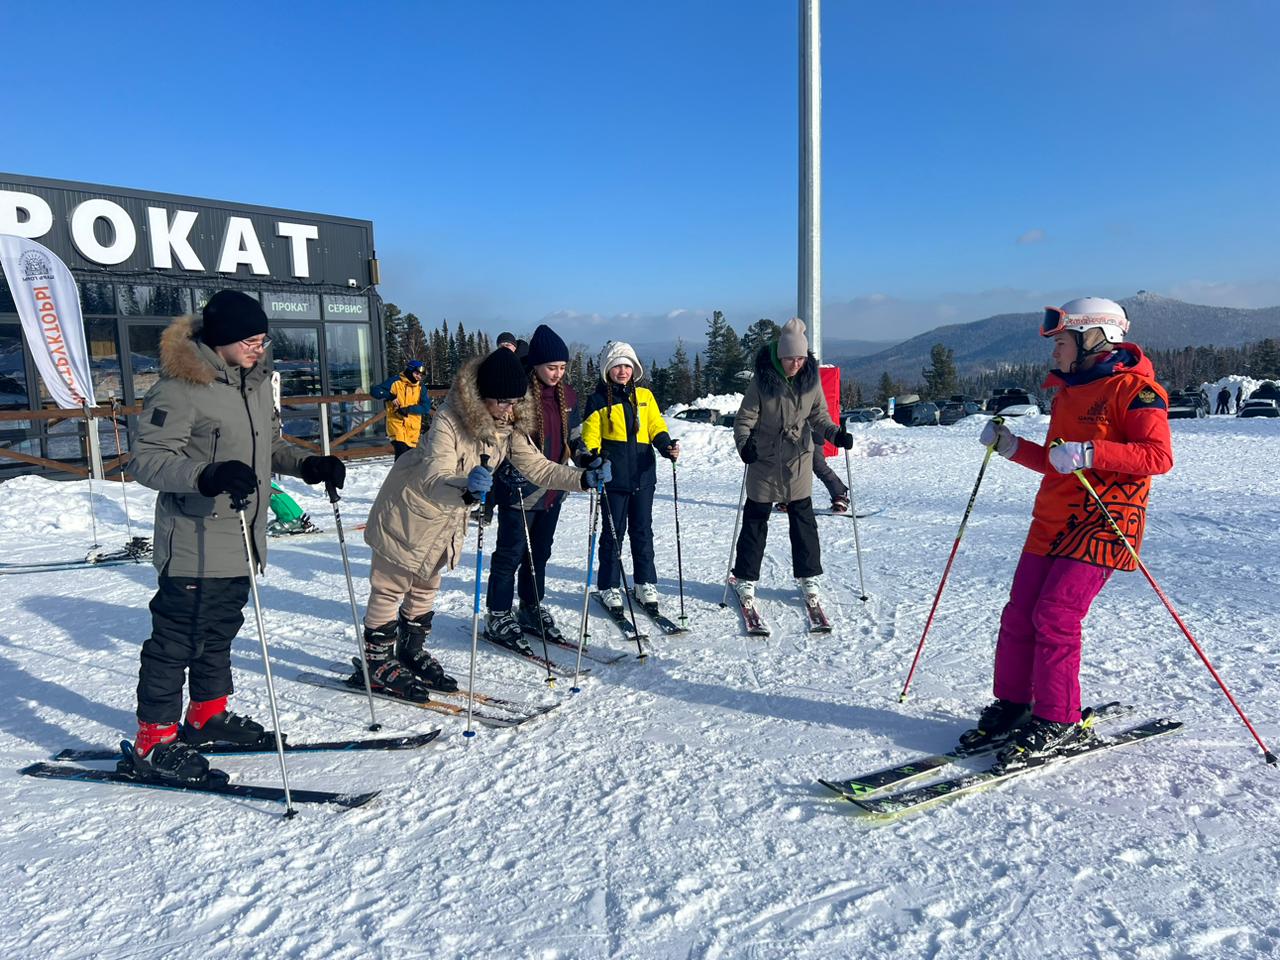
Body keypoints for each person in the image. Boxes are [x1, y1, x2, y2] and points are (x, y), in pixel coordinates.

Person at [127, 290, 346, 784]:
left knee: (218, 634)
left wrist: (308, 463)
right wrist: (206, 474)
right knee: (175, 643)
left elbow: (269, 446)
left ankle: (206, 716)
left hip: (242, 538)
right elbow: (146, 460)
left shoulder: (255, 381)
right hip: (194, 538)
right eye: (249, 339)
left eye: (263, 339)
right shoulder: (180, 387)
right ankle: (153, 740)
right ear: (222, 339)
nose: (258, 347)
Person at [969, 297, 1172, 766]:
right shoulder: (1067, 392)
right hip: (1052, 521)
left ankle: (1058, 719)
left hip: (1105, 522)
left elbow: (1157, 456)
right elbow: (1057, 462)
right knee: (1019, 614)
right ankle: (1016, 704)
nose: (1054, 352)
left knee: (1057, 615)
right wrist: (1012, 446)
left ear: (1093, 338)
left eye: (1060, 341)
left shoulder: (1136, 391)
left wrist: (1093, 453)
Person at [357, 348, 610, 699]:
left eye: (515, 402)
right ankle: (377, 662)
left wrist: (582, 478)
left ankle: (410, 651)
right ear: (483, 396)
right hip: (409, 512)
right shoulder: (449, 420)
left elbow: (538, 467)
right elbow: (434, 477)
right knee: (391, 586)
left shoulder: (507, 426)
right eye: (503, 402)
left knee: (426, 586)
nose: (510, 410)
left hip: (447, 518)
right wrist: (465, 486)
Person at [730, 318, 854, 606]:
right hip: (764, 459)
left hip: (798, 459)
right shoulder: (762, 380)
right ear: (779, 356)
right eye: (789, 359)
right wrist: (744, 445)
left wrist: (836, 435)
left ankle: (808, 576)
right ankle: (745, 578)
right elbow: (744, 419)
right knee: (755, 521)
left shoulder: (810, 381)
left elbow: (819, 417)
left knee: (803, 522)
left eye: (800, 358)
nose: (795, 364)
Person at [484, 324, 585, 649]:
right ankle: (498, 613)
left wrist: (586, 456)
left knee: (539, 554)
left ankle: (530, 606)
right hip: (519, 490)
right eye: (551, 367)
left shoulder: (567, 396)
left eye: (562, 368)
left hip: (553, 490)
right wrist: (501, 469)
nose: (557, 374)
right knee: (510, 554)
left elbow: (574, 435)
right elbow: (498, 438)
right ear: (537, 365)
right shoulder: (519, 396)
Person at [581, 341, 678, 611]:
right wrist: (592, 458)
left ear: (634, 368)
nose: (622, 371)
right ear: (607, 370)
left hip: (643, 476)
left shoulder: (645, 396)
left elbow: (656, 425)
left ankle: (644, 582)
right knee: (613, 534)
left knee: (642, 531)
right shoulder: (598, 400)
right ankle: (609, 585)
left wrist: (666, 445)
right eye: (617, 366)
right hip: (612, 480)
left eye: (627, 365)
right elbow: (589, 437)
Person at [777, 431, 850, 514]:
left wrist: (836, 435)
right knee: (793, 467)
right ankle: (791, 497)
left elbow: (821, 421)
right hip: (792, 438)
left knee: (819, 466)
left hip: (813, 435)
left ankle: (839, 495)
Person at [382, 360, 430, 459]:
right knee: (401, 455)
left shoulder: (421, 388)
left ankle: (404, 474)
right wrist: (391, 396)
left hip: (413, 429)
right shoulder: (395, 382)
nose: (419, 377)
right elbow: (376, 391)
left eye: (421, 375)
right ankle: (398, 474)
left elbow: (426, 407)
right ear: (409, 370)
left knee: (410, 460)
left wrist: (409, 409)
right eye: (417, 373)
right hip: (396, 425)